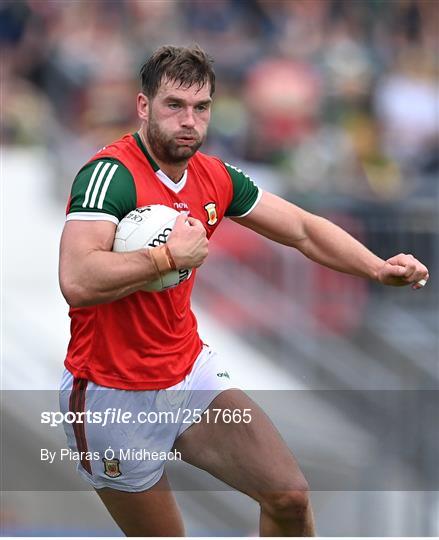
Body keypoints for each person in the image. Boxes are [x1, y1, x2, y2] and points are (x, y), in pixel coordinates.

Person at [58, 45, 429, 537]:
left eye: (201, 107)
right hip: (109, 395)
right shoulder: (110, 176)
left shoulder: (214, 176)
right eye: (174, 105)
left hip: (187, 376)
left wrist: (378, 268)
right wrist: (167, 258)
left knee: (289, 497)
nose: (189, 120)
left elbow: (301, 228)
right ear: (144, 106)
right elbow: (76, 280)